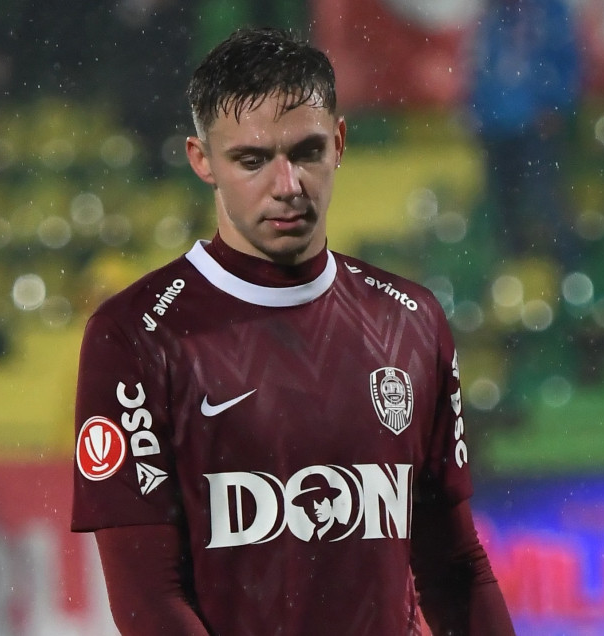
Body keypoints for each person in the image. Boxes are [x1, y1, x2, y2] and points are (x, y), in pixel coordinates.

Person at [71, 27, 515, 635]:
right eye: (252, 160)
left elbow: (454, 567)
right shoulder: (136, 336)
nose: (287, 185)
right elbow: (149, 604)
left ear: (339, 143)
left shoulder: (410, 319)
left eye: (306, 152)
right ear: (202, 160)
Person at [468, 0, 583, 271]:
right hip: (497, 122)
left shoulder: (548, 10)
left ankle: (569, 266)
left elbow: (566, 57)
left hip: (535, 120)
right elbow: (479, 65)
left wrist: (555, 103)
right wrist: (477, 110)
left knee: (544, 195)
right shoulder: (493, 14)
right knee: (502, 200)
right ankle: (514, 268)